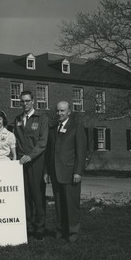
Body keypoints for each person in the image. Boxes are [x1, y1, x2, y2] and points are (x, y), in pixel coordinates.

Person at [43, 101, 87, 242]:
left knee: (71, 205)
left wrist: (78, 172)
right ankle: (60, 231)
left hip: (70, 173)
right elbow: (49, 153)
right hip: (56, 173)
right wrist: (47, 172)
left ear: (69, 112)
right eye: (58, 111)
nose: (59, 114)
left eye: (62, 111)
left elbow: (81, 151)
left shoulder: (76, 127)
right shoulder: (53, 129)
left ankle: (73, 233)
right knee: (59, 205)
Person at [14, 90, 49, 240]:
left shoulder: (41, 118)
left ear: (33, 101)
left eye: (27, 101)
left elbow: (43, 142)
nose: (25, 104)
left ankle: (40, 227)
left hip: (36, 161)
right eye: (22, 101)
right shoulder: (17, 119)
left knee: (37, 194)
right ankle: (27, 226)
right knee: (25, 195)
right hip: (22, 162)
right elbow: (15, 141)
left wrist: (31, 155)